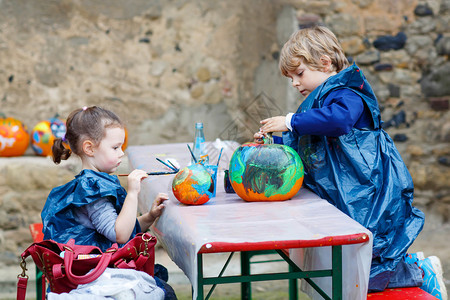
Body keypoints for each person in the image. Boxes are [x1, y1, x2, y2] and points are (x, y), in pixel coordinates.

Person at [254, 26, 447, 300]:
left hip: (369, 188)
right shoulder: (314, 104)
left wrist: (289, 121)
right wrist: (273, 145)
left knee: (370, 257)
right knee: (348, 263)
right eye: (291, 78)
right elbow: (304, 144)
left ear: (325, 62)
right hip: (343, 191)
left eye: (300, 74)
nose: (296, 83)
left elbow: (339, 121)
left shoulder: (348, 92)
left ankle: (421, 271)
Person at [41, 106, 177, 299]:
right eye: (115, 147)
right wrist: (132, 193)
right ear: (89, 148)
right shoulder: (93, 191)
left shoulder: (94, 182)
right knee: (162, 291)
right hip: (93, 272)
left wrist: (150, 216)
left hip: (99, 264)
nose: (121, 153)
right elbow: (120, 235)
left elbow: (122, 227)